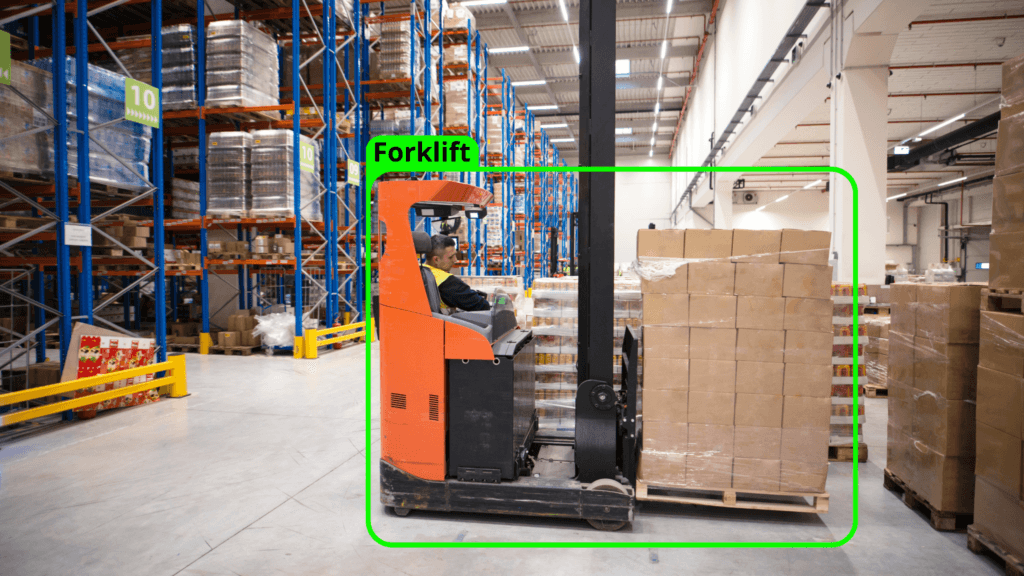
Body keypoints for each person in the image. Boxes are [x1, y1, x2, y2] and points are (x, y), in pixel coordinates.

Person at [423, 234, 491, 312]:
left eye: (455, 255)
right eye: (451, 257)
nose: (455, 260)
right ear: (436, 260)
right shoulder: (446, 282)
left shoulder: (420, 270)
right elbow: (482, 305)